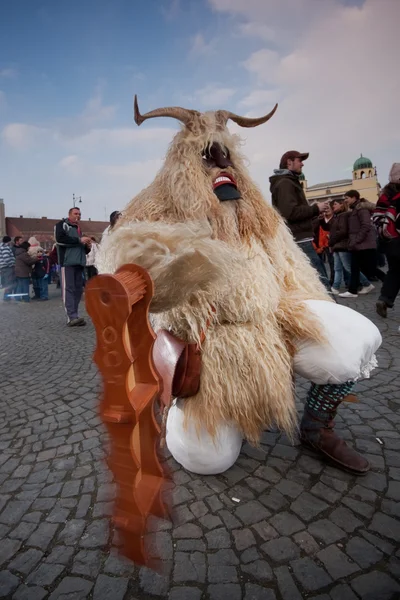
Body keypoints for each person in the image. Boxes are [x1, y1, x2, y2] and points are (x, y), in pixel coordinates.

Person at [95, 99, 381, 478]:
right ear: (184, 165)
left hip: (268, 325)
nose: (221, 163)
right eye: (207, 155)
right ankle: (179, 406)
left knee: (352, 341)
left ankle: (315, 427)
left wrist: (302, 316)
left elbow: (295, 272)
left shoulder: (257, 214)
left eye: (225, 153)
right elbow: (127, 264)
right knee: (209, 460)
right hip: (207, 346)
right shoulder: (157, 212)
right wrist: (163, 271)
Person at [270, 150, 331, 292]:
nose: (302, 163)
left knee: (313, 283)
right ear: (289, 162)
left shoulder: (288, 181)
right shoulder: (285, 183)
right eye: (299, 160)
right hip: (299, 239)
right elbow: (290, 213)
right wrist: (316, 208)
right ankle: (333, 311)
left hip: (298, 237)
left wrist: (314, 215)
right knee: (321, 283)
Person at [339, 190, 385, 298]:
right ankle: (352, 290)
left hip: (364, 244)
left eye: (347, 198)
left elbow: (365, 226)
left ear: (354, 197)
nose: (345, 200)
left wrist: (356, 240)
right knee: (355, 267)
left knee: (371, 268)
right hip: (359, 244)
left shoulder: (361, 208)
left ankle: (390, 283)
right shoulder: (355, 209)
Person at [55, 207, 92, 326]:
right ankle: (71, 317)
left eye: (80, 214)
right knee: (68, 289)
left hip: (79, 263)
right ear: (69, 214)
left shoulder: (78, 229)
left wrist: (87, 247)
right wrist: (79, 240)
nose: (78, 215)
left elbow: (79, 246)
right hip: (67, 262)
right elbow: (60, 240)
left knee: (78, 290)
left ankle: (75, 315)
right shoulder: (61, 225)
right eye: (76, 213)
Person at [373, 163, 400, 318]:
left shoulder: (384, 195)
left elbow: (376, 217)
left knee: (394, 271)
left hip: (388, 242)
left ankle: (384, 299)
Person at [329, 199, 373, 294]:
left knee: (348, 267)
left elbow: (343, 231)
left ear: (341, 205)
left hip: (342, 244)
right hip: (337, 245)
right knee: (337, 268)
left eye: (335, 204)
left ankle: (367, 284)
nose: (333, 206)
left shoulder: (344, 215)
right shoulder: (337, 216)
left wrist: (332, 240)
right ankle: (335, 287)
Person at [0, 236, 16, 301]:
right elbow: (6, 258)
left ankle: (6, 296)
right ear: (8, 241)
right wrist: (12, 264)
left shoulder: (1, 247)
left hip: (3, 267)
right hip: (7, 267)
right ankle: (7, 297)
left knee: (5, 283)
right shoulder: (5, 248)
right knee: (8, 283)